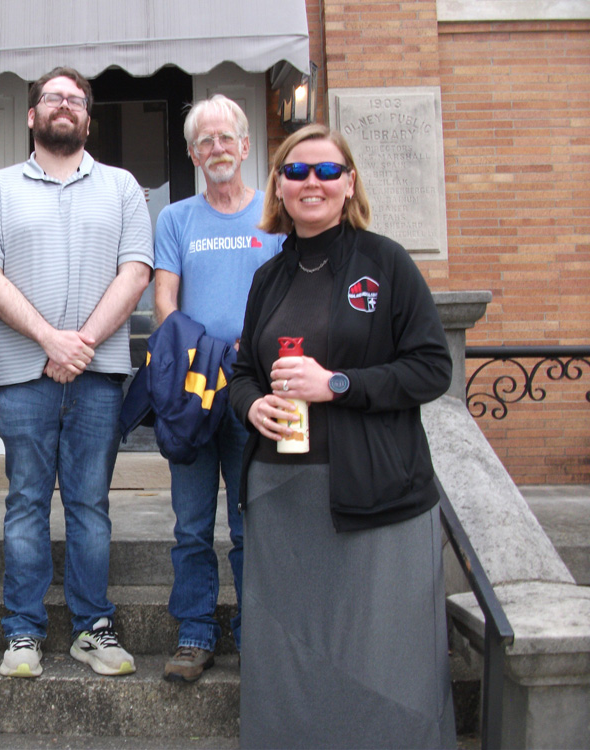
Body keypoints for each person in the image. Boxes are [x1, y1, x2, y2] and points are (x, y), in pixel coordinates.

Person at [228, 123, 455, 748]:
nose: (312, 183)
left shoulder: (386, 262)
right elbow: (243, 372)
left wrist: (338, 385)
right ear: (278, 184)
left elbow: (433, 369)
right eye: (297, 171)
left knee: (381, 660)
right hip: (282, 493)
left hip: (373, 494)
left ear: (349, 183)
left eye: (327, 172)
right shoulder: (268, 278)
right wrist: (250, 407)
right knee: (291, 661)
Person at [0, 67, 153, 680]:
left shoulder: (123, 188)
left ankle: (91, 628)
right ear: (32, 115)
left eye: (75, 99)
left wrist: (83, 344)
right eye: (52, 98)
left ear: (88, 118)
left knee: (90, 503)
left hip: (99, 376)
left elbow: (135, 272)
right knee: (24, 501)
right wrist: (51, 340)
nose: (63, 106)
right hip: (24, 374)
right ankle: (22, 631)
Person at [152, 95, 283, 682]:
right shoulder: (176, 219)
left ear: (246, 145)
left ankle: (259, 632)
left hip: (257, 392)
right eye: (205, 141)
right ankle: (195, 633)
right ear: (192, 153)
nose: (217, 149)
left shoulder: (274, 217)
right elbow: (164, 300)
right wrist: (184, 364)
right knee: (190, 523)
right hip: (197, 393)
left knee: (252, 520)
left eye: (226, 138)